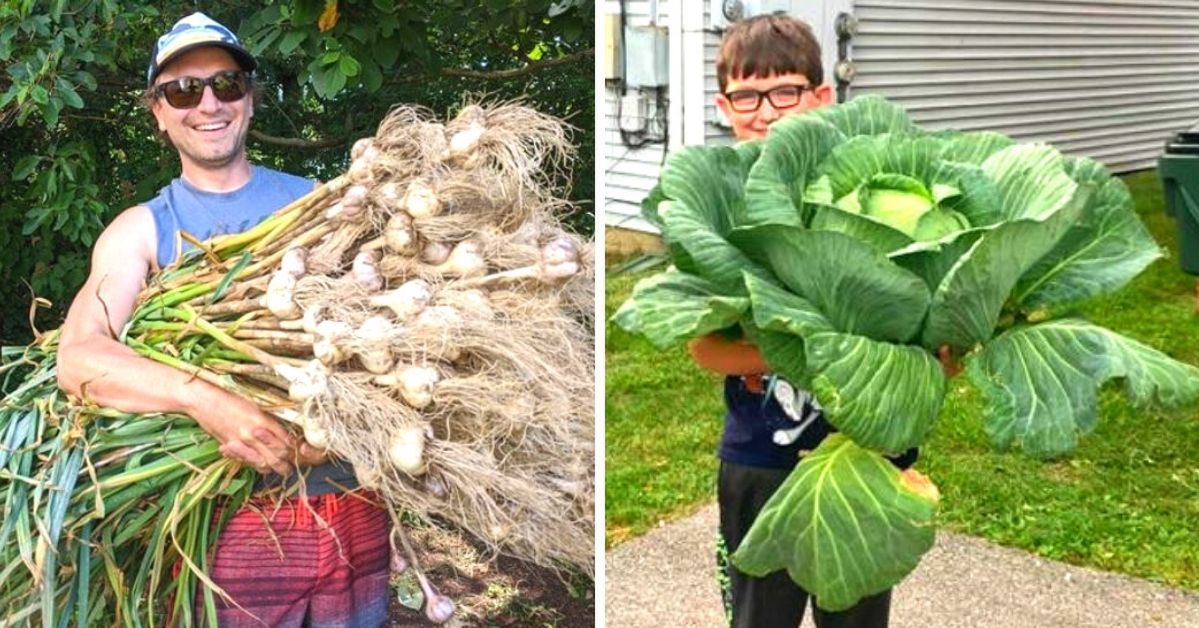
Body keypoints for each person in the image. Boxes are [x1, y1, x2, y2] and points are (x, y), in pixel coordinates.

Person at [56, 12, 390, 627]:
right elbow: (79, 358)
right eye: (183, 90)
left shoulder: (326, 204)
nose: (208, 103)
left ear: (250, 99)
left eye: (226, 84)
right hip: (230, 527)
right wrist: (208, 402)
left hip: (351, 497)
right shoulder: (142, 230)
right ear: (158, 112)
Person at [698, 13, 918, 628]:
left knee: (856, 614)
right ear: (725, 106)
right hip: (759, 459)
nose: (767, 110)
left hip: (868, 454)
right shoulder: (716, 209)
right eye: (747, 95)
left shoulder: (867, 189)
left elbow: (922, 318)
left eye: (786, 91)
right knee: (758, 614)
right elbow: (706, 350)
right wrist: (803, 351)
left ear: (821, 96)